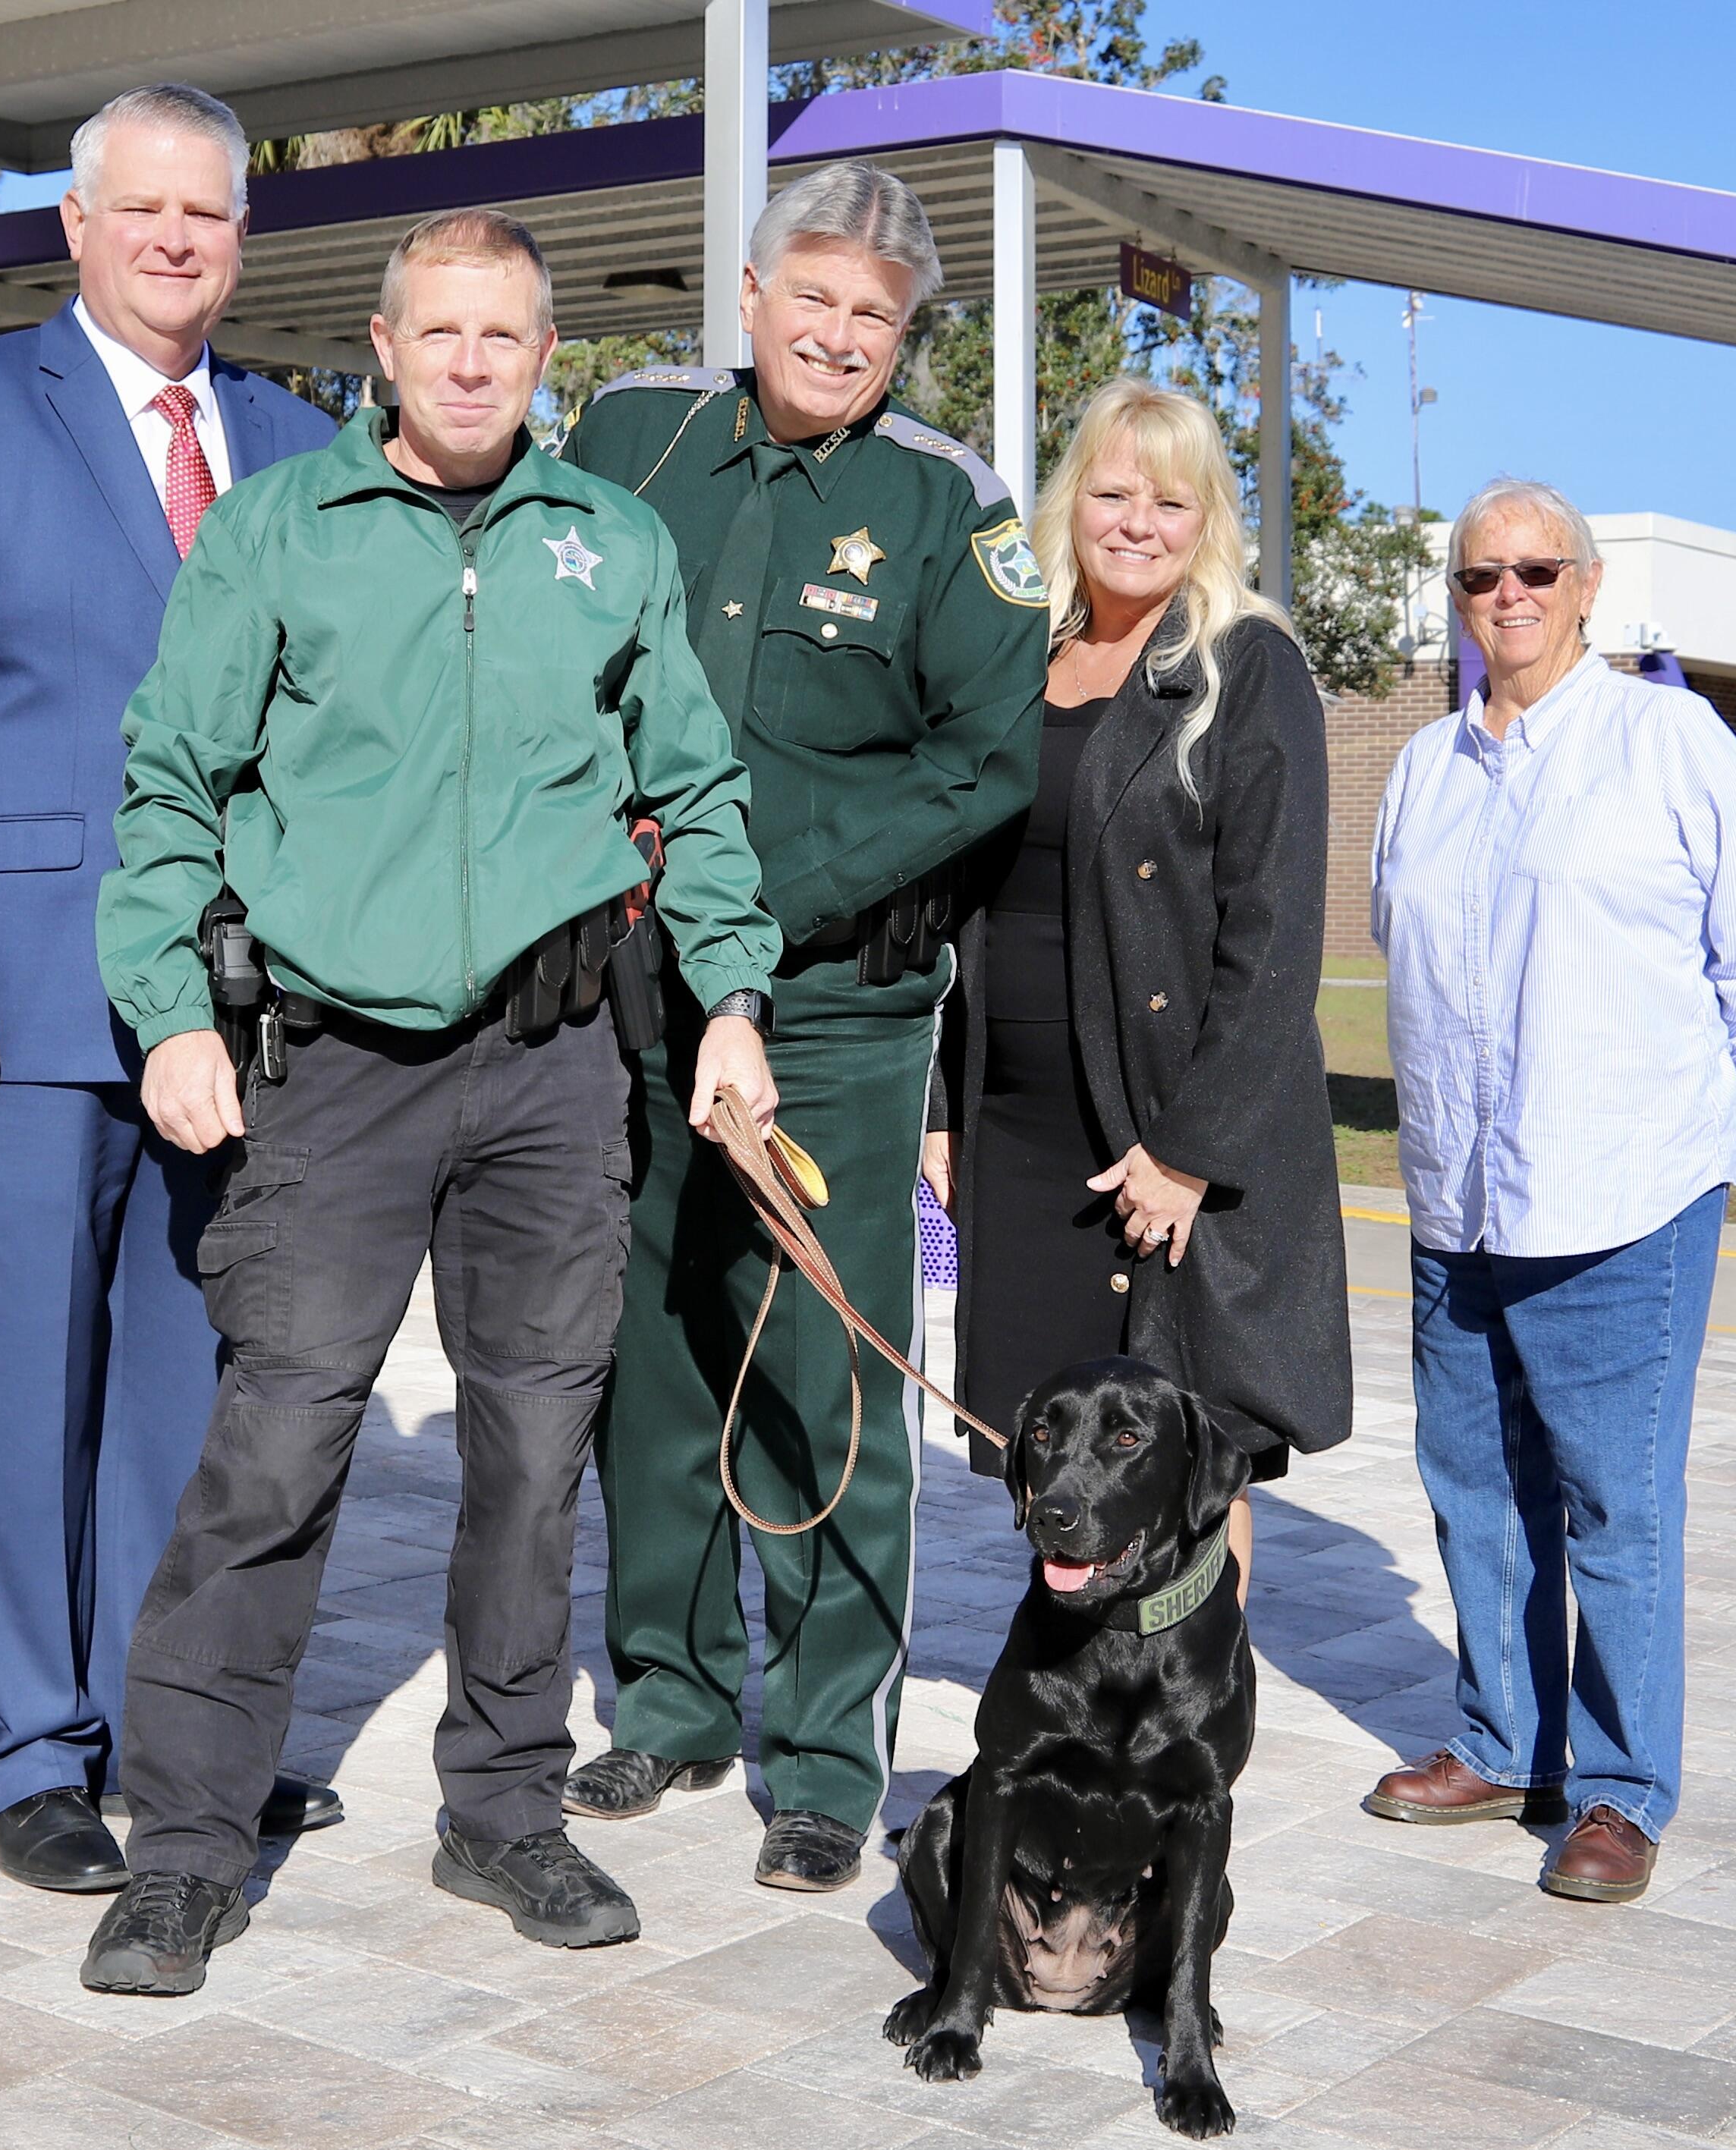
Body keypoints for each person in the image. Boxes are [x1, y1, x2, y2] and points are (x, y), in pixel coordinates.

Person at [77, 209, 785, 1994]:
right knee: (280, 1443)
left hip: (551, 1070)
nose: (474, 362)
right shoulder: (277, 530)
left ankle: (503, 1810)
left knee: (535, 1451)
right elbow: (171, 776)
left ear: (547, 359)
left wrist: (731, 1004)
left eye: (508, 336)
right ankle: (180, 1846)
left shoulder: (608, 543)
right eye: (441, 331)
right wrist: (168, 1010)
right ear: (381, 349)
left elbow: (695, 793)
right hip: (329, 1069)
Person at [0, 83, 342, 1897]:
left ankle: (168, 1728)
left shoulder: (292, 434)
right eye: (144, 212)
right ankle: (34, 1748)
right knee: (21, 1388)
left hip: (235, 1010)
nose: (177, 241)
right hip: (25, 1000)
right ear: (75, 223)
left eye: (207, 215)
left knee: (188, 1393)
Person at [558, 163, 1043, 1894]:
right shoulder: (634, 438)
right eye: (814, 298)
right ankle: (674, 1701)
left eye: (877, 318)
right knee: (660, 1343)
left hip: (834, 1003)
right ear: (748, 292)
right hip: (630, 985)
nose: (838, 337)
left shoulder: (948, 507)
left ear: (906, 340)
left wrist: (754, 903)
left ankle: (829, 1749)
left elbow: (986, 762)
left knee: (820, 1363)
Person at [1360, 477, 1736, 1904]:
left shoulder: (1667, 741)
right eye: (1482, 574)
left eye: (1538, 571)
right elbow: (1399, 946)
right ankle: (1508, 1743)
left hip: (1622, 1196)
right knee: (1476, 1493)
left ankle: (1621, 1790)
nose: (1510, 594)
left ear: (1589, 585)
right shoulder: (1425, 768)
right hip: (1462, 1196)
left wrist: (1653, 1093)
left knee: (1614, 1507)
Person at [926, 378, 1351, 1573]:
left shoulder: (1246, 665)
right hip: (1018, 1123)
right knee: (1059, 1445)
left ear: (1209, 515)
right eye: (1112, 492)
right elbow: (958, 898)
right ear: (1072, 503)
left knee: (1187, 1445)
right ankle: (1079, 1729)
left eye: (1171, 500)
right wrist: (942, 1108)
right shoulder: (1019, 653)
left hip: (1161, 1123)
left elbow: (1276, 940)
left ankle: (1179, 1746)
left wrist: (1188, 1151)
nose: (1136, 522)